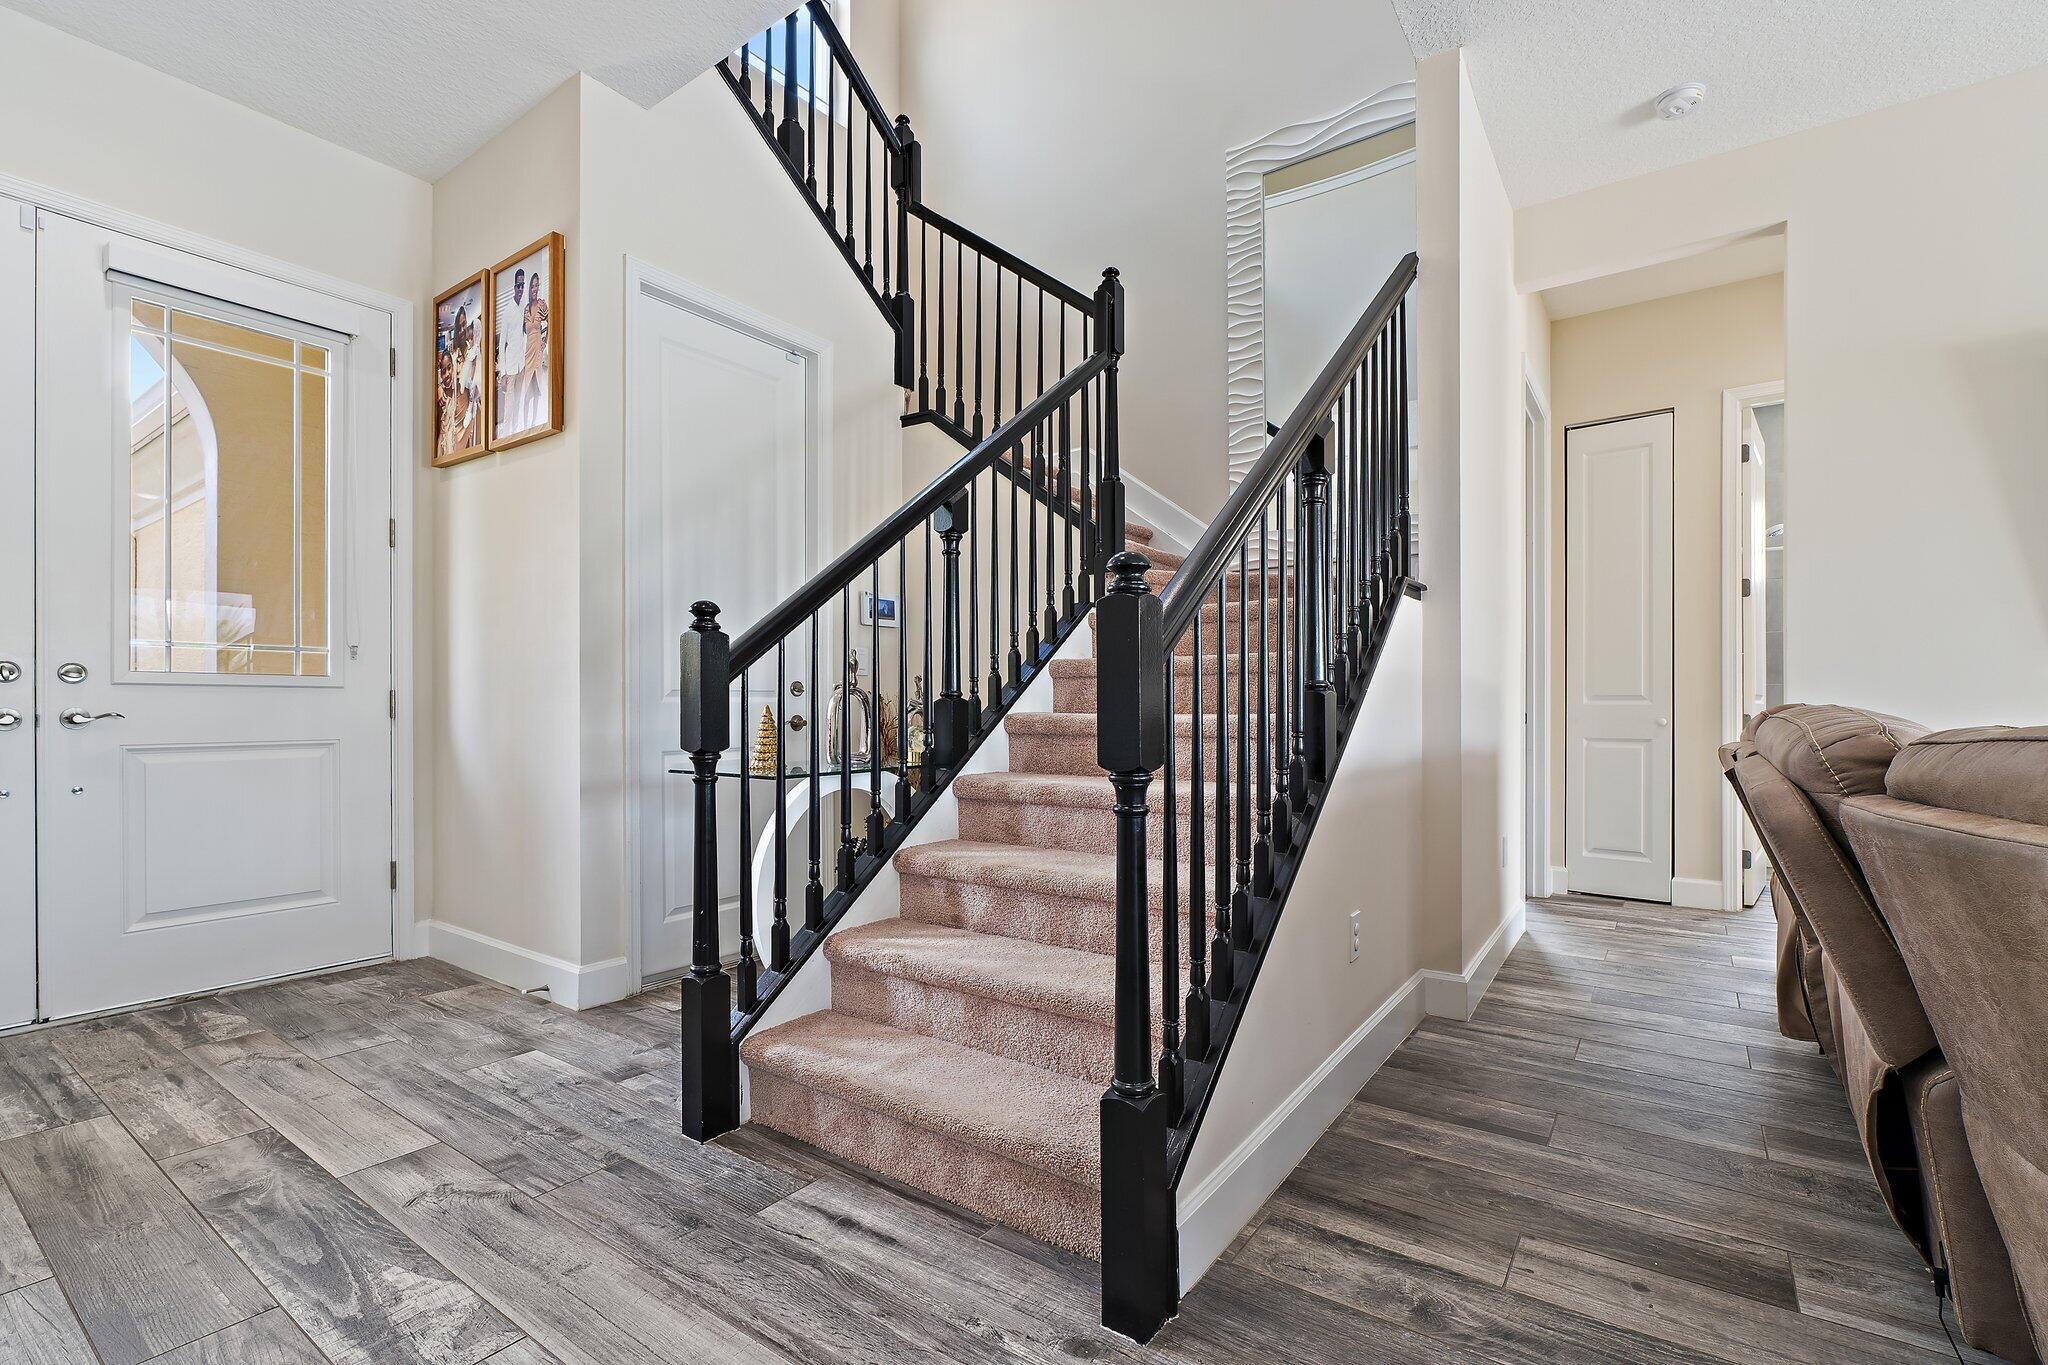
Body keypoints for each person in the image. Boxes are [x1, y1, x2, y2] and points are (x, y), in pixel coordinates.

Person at [517, 269, 550, 432]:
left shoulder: (542, 305)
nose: (535, 289)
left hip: (537, 347)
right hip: (528, 349)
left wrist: (545, 341)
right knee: (526, 391)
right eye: (532, 286)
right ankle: (524, 425)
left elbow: (549, 323)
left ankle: (534, 424)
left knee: (536, 388)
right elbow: (524, 330)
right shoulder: (526, 309)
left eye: (537, 286)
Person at [496, 269, 526, 434]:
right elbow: (501, 343)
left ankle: (517, 432)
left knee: (519, 401)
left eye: (522, 285)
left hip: (522, 363)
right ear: (514, 286)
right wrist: (503, 372)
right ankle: (507, 435)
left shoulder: (523, 306)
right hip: (510, 366)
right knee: (509, 404)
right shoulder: (507, 311)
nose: (520, 289)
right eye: (518, 286)